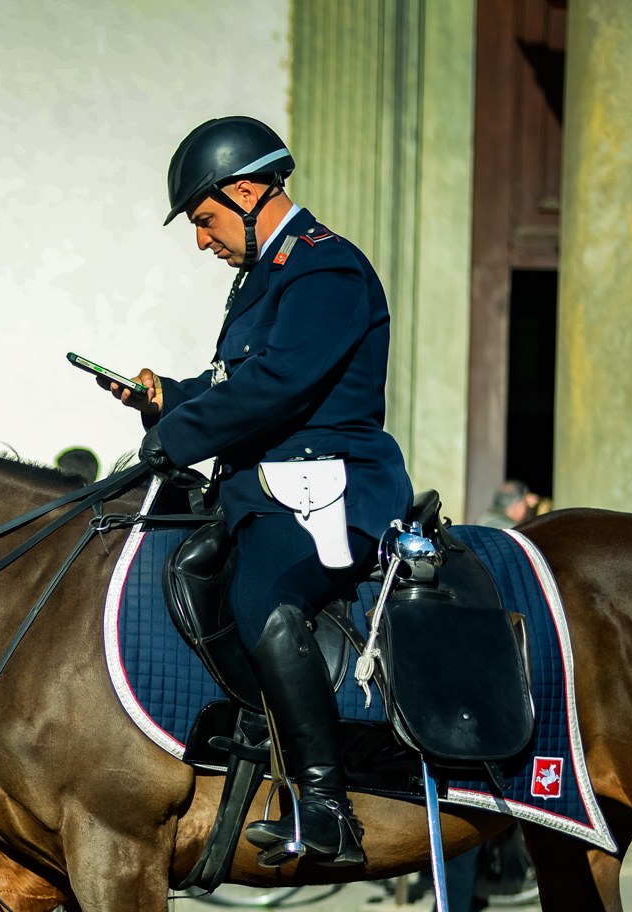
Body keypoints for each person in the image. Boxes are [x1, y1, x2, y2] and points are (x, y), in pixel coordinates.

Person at [95, 115, 412, 868]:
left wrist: (180, 437)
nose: (203, 241)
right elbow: (235, 381)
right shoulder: (263, 277)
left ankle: (327, 807)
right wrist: (164, 397)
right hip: (265, 488)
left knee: (264, 602)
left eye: (205, 220)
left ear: (245, 190)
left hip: (328, 490)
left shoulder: (324, 268)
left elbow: (280, 386)